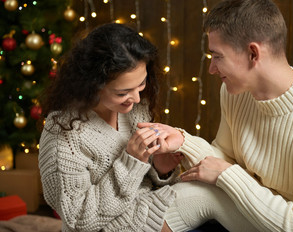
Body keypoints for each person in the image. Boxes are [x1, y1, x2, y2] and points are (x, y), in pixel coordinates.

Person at [139, 0, 293, 231]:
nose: (212, 68)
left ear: (253, 53)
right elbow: (224, 158)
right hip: (249, 211)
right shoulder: (236, 92)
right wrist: (183, 141)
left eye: (217, 56)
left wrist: (227, 175)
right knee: (183, 195)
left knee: (199, 194)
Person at [38, 23, 184, 232]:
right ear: (92, 84)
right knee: (207, 201)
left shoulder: (136, 109)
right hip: (109, 226)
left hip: (145, 208)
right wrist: (130, 163)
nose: (136, 98)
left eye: (141, 84)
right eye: (122, 92)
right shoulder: (64, 133)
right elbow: (78, 218)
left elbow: (144, 183)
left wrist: (160, 168)